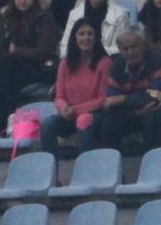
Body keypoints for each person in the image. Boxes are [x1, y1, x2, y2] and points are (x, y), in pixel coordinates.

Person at [0, 0, 60, 121]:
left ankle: (9, 119)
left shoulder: (45, 16)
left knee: (6, 73)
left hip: (39, 67)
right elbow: (1, 46)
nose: (23, 0)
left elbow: (44, 51)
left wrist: (18, 51)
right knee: (1, 72)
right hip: (13, 65)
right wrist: (11, 53)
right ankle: (3, 122)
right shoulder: (7, 17)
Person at [101, 29, 161, 149]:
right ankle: (113, 161)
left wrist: (124, 99)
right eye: (125, 49)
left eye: (134, 47)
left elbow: (157, 96)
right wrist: (136, 112)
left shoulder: (157, 61)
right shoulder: (117, 66)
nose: (130, 52)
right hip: (132, 112)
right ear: (120, 50)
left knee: (155, 115)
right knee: (109, 121)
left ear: (143, 45)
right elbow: (111, 100)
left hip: (158, 108)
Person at [46, 21, 113, 152]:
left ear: (96, 37)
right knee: (47, 124)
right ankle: (52, 170)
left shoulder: (105, 62)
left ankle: (86, 168)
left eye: (90, 34)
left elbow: (103, 98)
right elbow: (59, 96)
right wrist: (63, 107)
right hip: (70, 114)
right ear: (74, 37)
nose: (86, 38)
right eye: (81, 34)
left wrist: (75, 110)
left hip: (96, 114)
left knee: (84, 119)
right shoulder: (65, 63)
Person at [59, 0, 133, 56]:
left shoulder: (120, 15)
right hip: (79, 64)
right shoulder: (74, 15)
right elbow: (64, 48)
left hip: (109, 63)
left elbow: (124, 48)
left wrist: (93, 51)